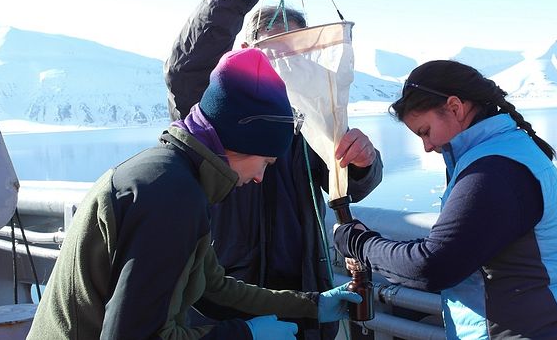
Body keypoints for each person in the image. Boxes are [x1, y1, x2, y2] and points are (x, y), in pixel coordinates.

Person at [27, 48, 362, 340]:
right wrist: (244, 335)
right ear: (242, 143)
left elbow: (215, 289)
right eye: (265, 162)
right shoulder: (170, 197)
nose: (261, 177)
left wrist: (312, 305)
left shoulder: (174, 175)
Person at [163, 0, 383, 339]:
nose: (284, 67)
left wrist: (362, 164)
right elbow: (185, 67)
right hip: (223, 302)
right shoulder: (212, 114)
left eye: (293, 53)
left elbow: (344, 185)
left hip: (304, 297)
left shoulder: (313, 117)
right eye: (272, 52)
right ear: (245, 56)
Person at [334, 60, 557, 339]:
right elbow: (457, 249)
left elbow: (433, 266)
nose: (426, 146)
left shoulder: (494, 171)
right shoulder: (502, 153)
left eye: (425, 131)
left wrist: (357, 242)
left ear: (454, 108)